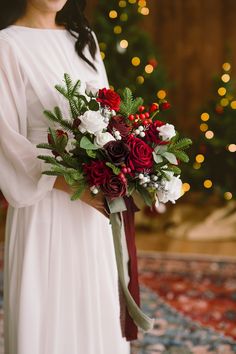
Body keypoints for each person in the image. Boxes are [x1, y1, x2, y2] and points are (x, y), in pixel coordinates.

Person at [0, 1, 131, 353]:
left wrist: (117, 168)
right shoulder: (6, 45)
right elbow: (7, 140)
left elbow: (110, 115)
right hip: (43, 204)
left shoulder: (83, 39)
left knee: (95, 303)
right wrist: (69, 184)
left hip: (92, 209)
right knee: (46, 313)